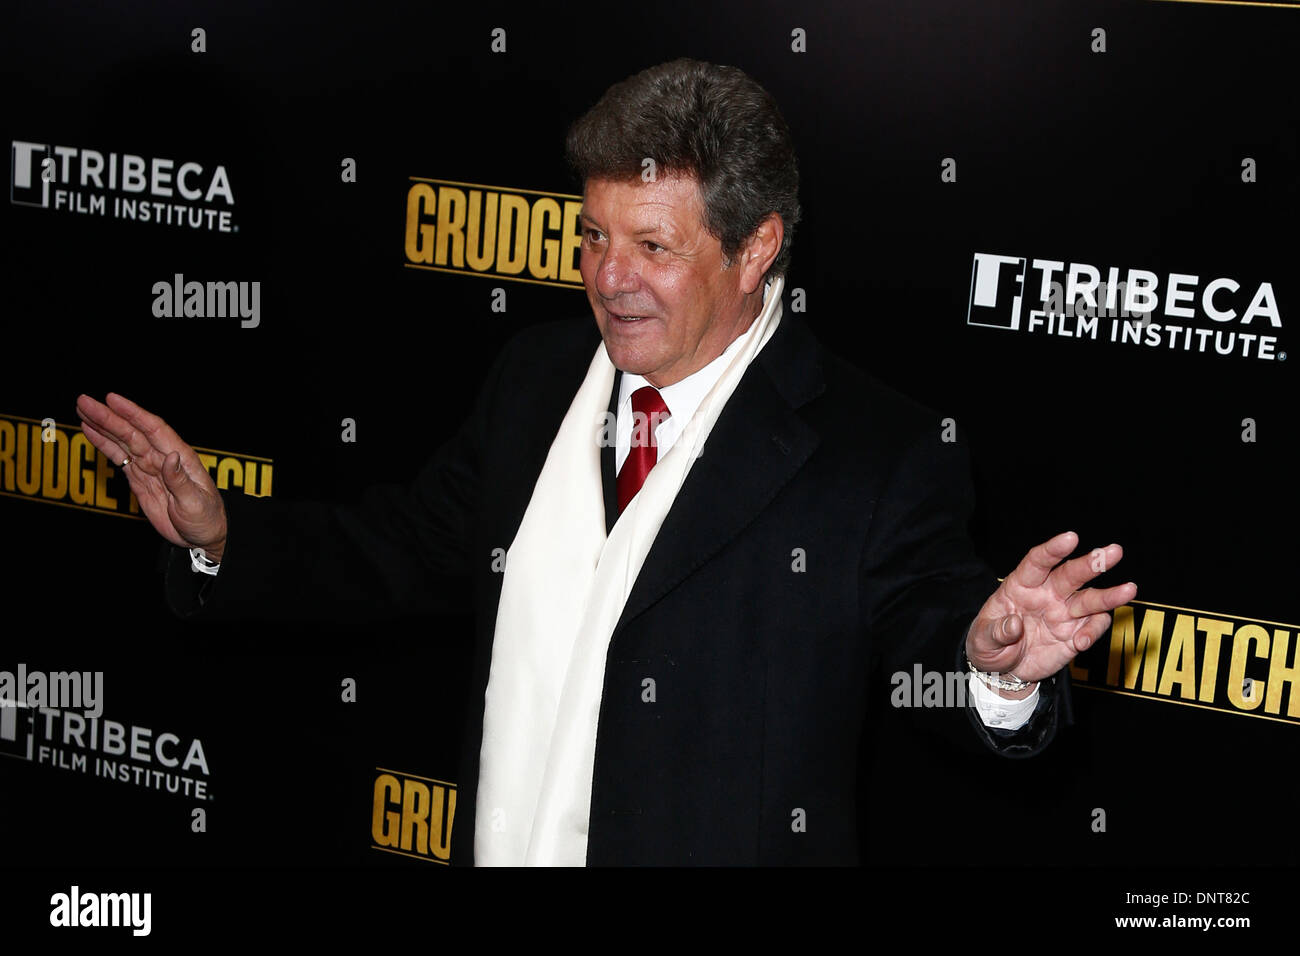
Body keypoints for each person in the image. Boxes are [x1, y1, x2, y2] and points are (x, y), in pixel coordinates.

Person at [75, 58, 1136, 865]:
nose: (608, 278)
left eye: (653, 246)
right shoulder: (535, 378)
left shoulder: (874, 451)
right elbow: (402, 546)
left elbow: (931, 637)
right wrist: (226, 537)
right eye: (592, 237)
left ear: (756, 246)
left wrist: (990, 666)